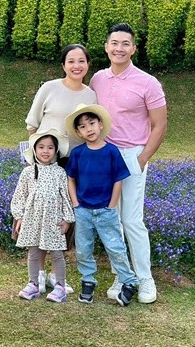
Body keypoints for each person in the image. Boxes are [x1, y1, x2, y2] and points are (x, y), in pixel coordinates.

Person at [89, 23, 168, 304]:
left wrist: (143, 158)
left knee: (132, 220)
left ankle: (145, 278)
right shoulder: (97, 79)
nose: (119, 48)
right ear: (106, 46)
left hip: (131, 154)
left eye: (125, 44)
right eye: (114, 43)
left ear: (134, 48)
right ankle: (122, 276)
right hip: (103, 156)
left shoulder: (148, 82)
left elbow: (160, 125)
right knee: (111, 220)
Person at [23, 44, 96, 292]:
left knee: (64, 219)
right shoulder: (49, 88)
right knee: (39, 215)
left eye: (81, 61)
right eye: (71, 61)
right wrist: (37, 156)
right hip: (46, 159)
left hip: (73, 163)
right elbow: (32, 124)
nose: (76, 66)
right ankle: (39, 275)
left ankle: (57, 274)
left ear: (88, 64)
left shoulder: (90, 95)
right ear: (63, 65)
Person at [65, 103, 140, 306]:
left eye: (91, 123)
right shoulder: (78, 153)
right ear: (78, 132)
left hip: (106, 210)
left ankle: (129, 281)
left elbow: (119, 178)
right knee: (83, 249)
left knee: (115, 247)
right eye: (82, 126)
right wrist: (76, 203)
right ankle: (88, 281)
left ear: (100, 124)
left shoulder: (111, 151)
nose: (88, 129)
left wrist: (112, 204)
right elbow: (70, 178)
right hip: (83, 210)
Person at [10, 128, 75, 303]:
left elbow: (65, 197)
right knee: (33, 252)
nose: (45, 151)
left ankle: (60, 286)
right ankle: (33, 284)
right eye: (41, 147)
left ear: (56, 151)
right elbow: (19, 195)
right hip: (32, 219)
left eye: (50, 148)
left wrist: (67, 219)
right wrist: (19, 217)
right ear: (34, 150)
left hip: (53, 220)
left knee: (56, 253)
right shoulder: (28, 173)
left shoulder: (60, 173)